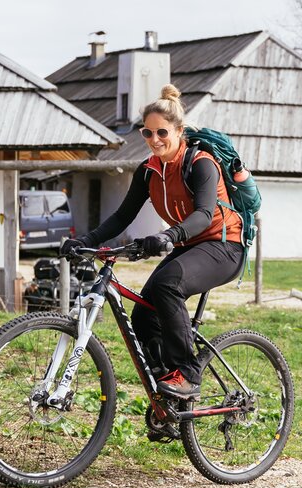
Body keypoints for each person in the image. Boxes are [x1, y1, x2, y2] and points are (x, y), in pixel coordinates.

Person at [62, 84, 244, 400]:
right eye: (147, 133)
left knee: (166, 287)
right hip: (189, 245)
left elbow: (203, 214)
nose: (155, 140)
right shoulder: (148, 170)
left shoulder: (200, 163)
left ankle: (186, 375)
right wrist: (85, 241)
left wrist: (167, 235)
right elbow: (122, 217)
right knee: (144, 314)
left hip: (224, 245)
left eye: (162, 133)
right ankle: (166, 395)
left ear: (179, 131)